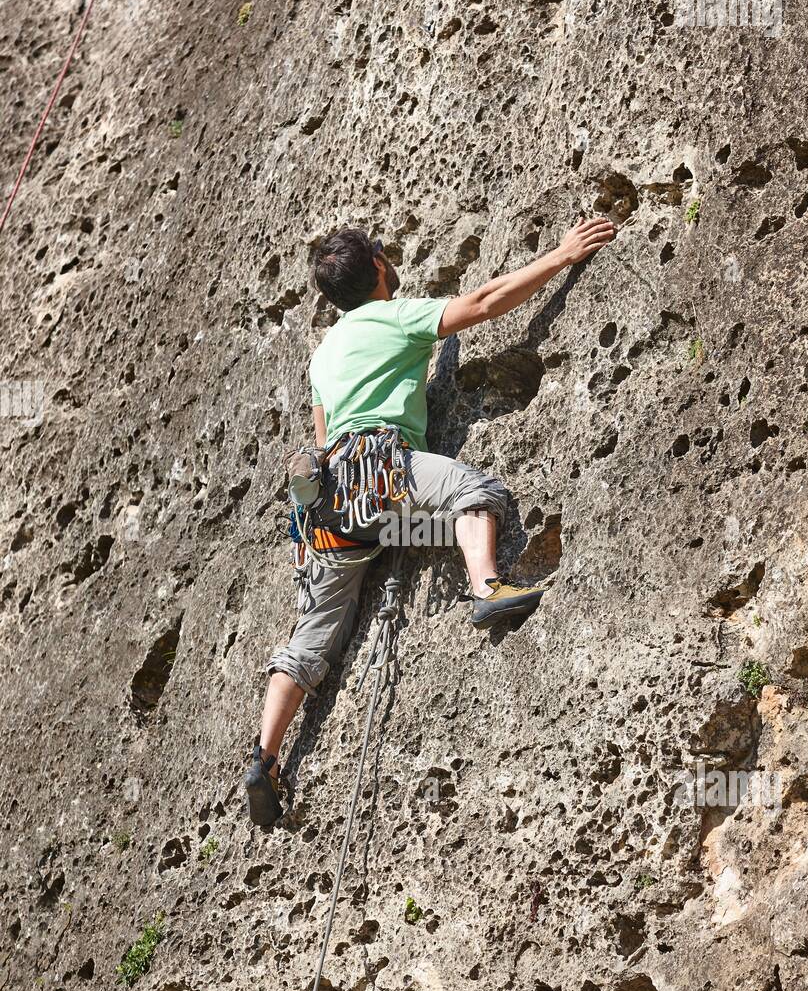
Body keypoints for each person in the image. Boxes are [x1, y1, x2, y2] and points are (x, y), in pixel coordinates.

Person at [245, 217, 616, 825]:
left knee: (313, 637)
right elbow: (483, 303)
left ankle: (265, 757)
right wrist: (561, 255)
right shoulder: (391, 317)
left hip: (334, 508)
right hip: (384, 473)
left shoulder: (322, 355)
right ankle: (487, 586)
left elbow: (321, 435)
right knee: (474, 491)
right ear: (380, 270)